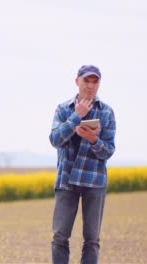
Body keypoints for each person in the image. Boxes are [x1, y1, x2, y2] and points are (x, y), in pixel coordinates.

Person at [49, 65, 116, 264]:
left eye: (95, 81)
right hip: (66, 181)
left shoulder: (106, 112)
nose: (90, 86)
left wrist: (94, 140)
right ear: (77, 81)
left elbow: (109, 150)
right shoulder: (63, 109)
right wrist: (75, 117)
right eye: (86, 80)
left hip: (94, 182)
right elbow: (54, 139)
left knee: (92, 240)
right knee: (60, 237)